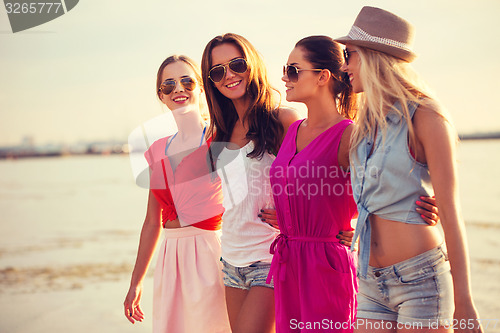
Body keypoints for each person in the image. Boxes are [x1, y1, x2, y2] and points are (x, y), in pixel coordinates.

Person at [335, 6, 483, 332]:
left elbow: (451, 213)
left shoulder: (427, 117)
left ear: (374, 56)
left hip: (421, 280)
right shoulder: (364, 127)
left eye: (350, 54)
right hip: (369, 280)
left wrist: (465, 301)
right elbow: (373, 193)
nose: (344, 66)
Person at [123, 55, 231, 333]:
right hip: (170, 258)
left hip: (210, 255)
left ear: (201, 87)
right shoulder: (157, 149)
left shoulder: (220, 139)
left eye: (186, 82)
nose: (178, 90)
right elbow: (151, 222)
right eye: (168, 86)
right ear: (161, 95)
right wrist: (136, 282)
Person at [268, 35, 358, 332]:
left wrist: (358, 229)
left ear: (322, 77)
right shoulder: (292, 129)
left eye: (294, 70)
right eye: (286, 69)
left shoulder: (349, 135)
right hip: (289, 265)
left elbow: (381, 193)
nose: (285, 77)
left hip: (327, 268)